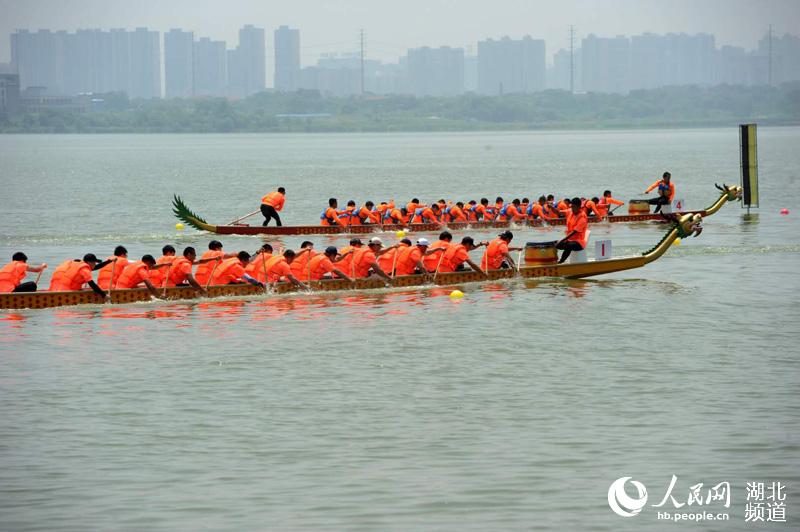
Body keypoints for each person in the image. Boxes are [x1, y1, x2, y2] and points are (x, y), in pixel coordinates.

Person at [556, 198, 589, 263]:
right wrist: (551, 207)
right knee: (555, 244)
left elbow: (574, 232)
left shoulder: (582, 217)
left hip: (579, 243)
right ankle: (553, 260)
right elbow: (559, 212)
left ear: (579, 207)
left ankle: (561, 261)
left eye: (574, 207)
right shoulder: (570, 211)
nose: (572, 208)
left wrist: (563, 240)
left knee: (569, 245)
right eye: (571, 206)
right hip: (569, 240)